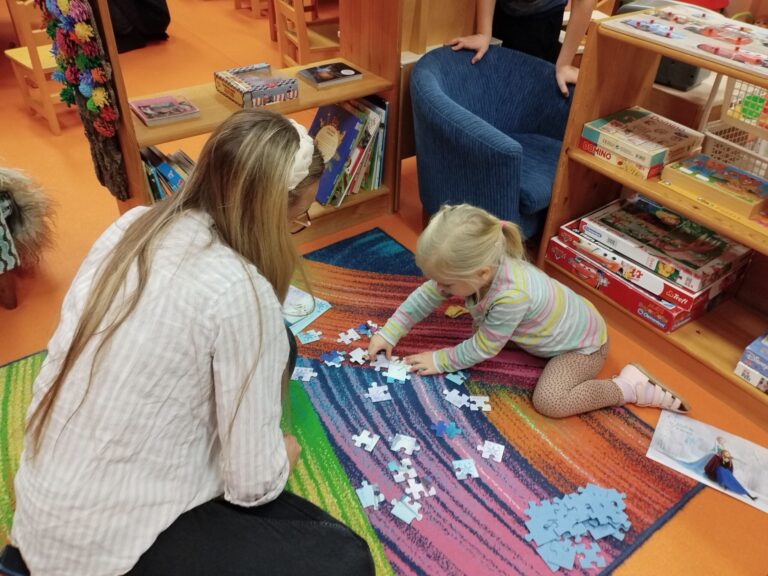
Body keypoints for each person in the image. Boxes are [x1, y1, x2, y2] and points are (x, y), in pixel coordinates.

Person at [5, 110, 374, 576]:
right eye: (297, 218)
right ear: (269, 214)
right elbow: (252, 486)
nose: (296, 228)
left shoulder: (133, 223)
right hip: (102, 549)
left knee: (281, 342)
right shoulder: (242, 291)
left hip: (46, 499)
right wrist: (282, 455)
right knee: (346, 560)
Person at [368, 204, 691, 419]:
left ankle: (628, 386)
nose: (439, 287)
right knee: (477, 322)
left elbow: (483, 348)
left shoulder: (511, 296)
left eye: (446, 283)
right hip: (565, 319)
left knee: (550, 402)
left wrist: (439, 360)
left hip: (583, 349)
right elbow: (425, 296)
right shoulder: (481, 267)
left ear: (481, 273)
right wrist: (389, 333)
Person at [447, 0, 596, 97]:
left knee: (526, 94)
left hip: (542, 22)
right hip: (500, 13)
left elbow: (584, 2)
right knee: (489, 90)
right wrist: (483, 32)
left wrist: (564, 64)